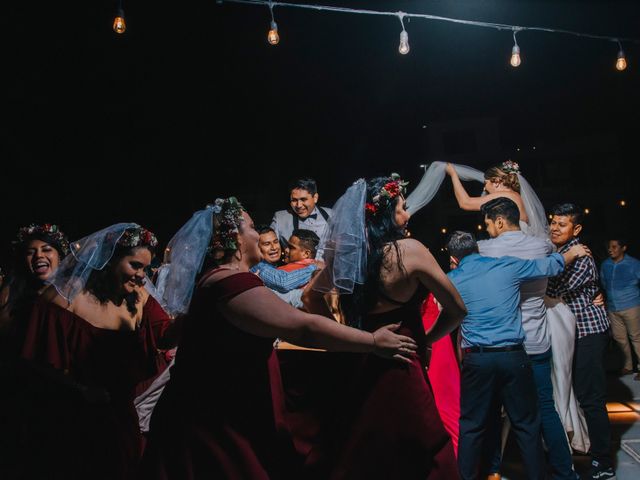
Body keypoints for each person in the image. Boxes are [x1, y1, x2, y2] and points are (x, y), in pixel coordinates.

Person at [139, 196, 417, 480]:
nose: (257, 234)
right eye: (250, 227)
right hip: (218, 424)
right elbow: (302, 327)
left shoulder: (213, 280)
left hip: (216, 412)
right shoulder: (231, 283)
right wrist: (372, 341)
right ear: (234, 237)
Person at [301, 174, 467, 479]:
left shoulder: (349, 254)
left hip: (359, 358)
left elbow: (310, 298)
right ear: (387, 214)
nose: (407, 214)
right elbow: (457, 309)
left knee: (364, 447)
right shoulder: (410, 251)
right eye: (402, 207)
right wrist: (427, 339)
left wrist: (350, 337)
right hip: (402, 359)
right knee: (415, 447)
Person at [19, 223, 174, 479]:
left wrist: (201, 310)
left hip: (120, 419)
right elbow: (35, 359)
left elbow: (166, 335)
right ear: (110, 261)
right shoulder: (67, 296)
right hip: (71, 419)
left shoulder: (141, 299)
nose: (141, 275)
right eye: (135, 265)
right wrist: (80, 390)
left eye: (145, 268)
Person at [445, 230, 588, 480]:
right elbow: (548, 265)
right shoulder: (506, 266)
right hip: (513, 357)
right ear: (477, 250)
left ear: (454, 258)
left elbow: (441, 311)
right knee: (527, 425)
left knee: (471, 426)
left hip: (477, 360)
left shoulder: (452, 278)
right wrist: (572, 253)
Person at [477, 197, 578, 480]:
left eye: (487, 223)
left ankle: (493, 470)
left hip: (505, 343)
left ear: (499, 221)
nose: (485, 229)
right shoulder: (542, 246)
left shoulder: (485, 250)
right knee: (546, 408)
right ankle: (563, 472)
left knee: (497, 411)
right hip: (537, 342)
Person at [546, 203, 615, 480]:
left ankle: (604, 461)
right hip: (570, 334)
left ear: (576, 229)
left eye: (561, 224)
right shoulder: (562, 253)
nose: (554, 227)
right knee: (573, 393)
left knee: (591, 397)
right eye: (553, 222)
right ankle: (584, 446)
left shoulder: (580, 256)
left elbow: (551, 287)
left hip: (588, 333)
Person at [0, 223, 70, 359]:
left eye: (46, 249)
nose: (38, 256)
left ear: (60, 257)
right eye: (30, 252)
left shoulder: (72, 294)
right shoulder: (11, 292)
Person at [600, 237, 640, 379]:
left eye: (614, 246)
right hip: (613, 307)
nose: (610, 249)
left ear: (623, 248)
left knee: (636, 337)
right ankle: (628, 366)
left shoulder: (634, 264)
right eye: (609, 246)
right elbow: (604, 283)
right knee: (619, 338)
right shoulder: (606, 264)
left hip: (631, 305)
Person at [270, 177, 333, 259]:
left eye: (303, 199)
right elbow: (266, 244)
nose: (299, 205)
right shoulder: (280, 218)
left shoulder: (332, 215)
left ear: (315, 198)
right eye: (294, 200)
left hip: (326, 270)